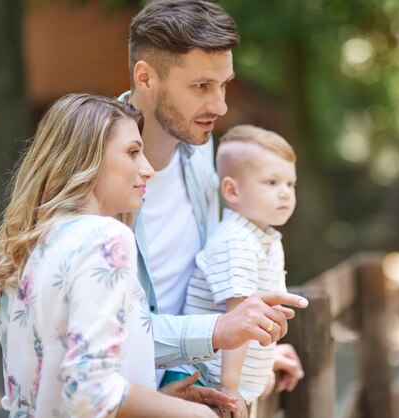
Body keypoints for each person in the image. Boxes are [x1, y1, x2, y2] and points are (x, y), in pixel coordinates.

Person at [0, 93, 234, 417]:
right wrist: (197, 415)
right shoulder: (105, 239)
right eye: (133, 153)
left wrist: (158, 399)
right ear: (86, 158)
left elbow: (51, 394)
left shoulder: (26, 248)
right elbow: (90, 392)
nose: (147, 169)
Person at [122, 0, 305, 390]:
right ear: (146, 78)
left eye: (223, 84)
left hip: (191, 380)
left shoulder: (203, 148)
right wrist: (219, 332)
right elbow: (98, 332)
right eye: (201, 86)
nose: (220, 105)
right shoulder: (91, 167)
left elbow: (206, 280)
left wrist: (251, 352)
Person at [178, 125, 297, 417]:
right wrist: (231, 389)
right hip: (212, 385)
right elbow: (238, 316)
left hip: (237, 382)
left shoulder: (264, 237)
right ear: (232, 190)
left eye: (290, 184)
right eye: (271, 182)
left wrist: (265, 364)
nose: (285, 193)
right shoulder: (237, 241)